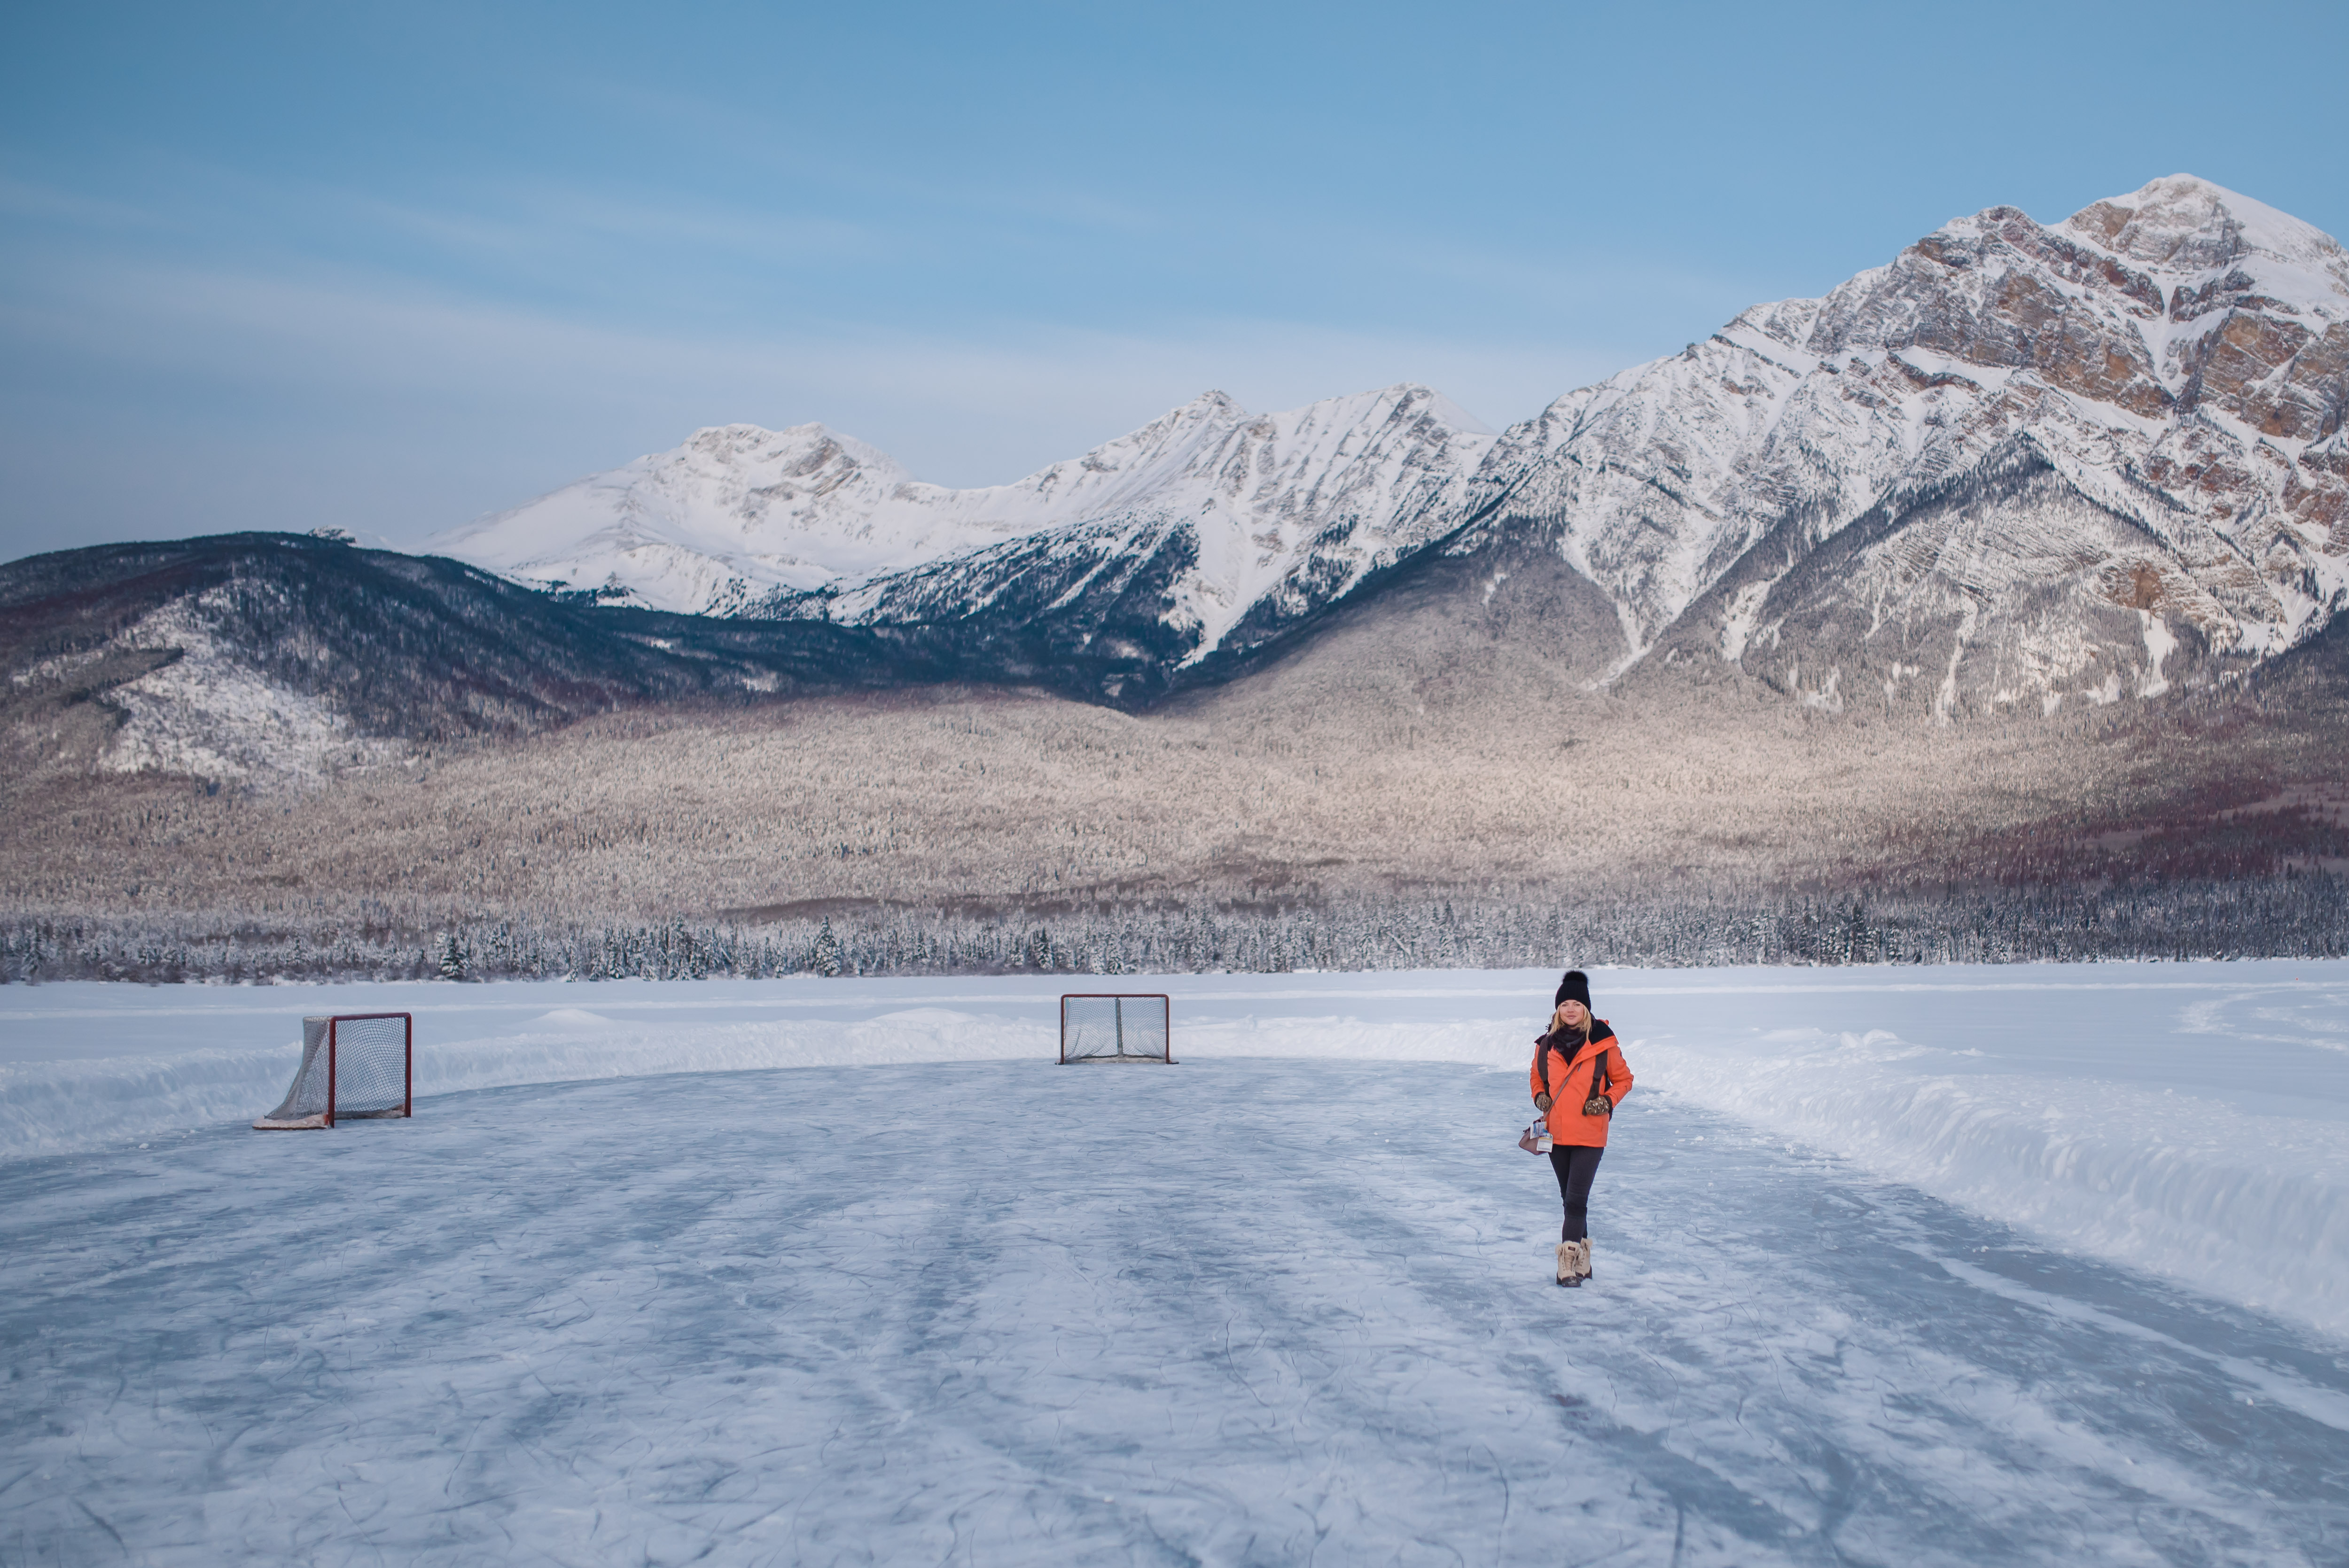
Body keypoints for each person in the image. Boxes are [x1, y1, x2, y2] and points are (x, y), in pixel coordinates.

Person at [1530, 968, 1632, 1287]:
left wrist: (1607, 1100)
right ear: (1557, 1009)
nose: (1570, 1009)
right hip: (1556, 1133)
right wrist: (1540, 1096)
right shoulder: (1545, 1044)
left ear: (1586, 1009)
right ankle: (1583, 1259)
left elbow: (1624, 1080)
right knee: (1569, 1198)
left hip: (1590, 1133)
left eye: (1576, 1003)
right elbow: (1536, 1077)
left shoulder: (1603, 1043)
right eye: (1565, 1004)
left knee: (1575, 1199)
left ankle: (1566, 1264)